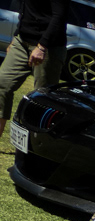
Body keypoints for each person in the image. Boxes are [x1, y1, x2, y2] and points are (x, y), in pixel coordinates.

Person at [0, 0, 70, 138]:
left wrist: (42, 46)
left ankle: (37, 144)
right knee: (2, 84)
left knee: (43, 100)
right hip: (22, 41)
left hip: (49, 47)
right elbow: (26, 10)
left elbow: (59, 16)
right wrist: (16, 36)